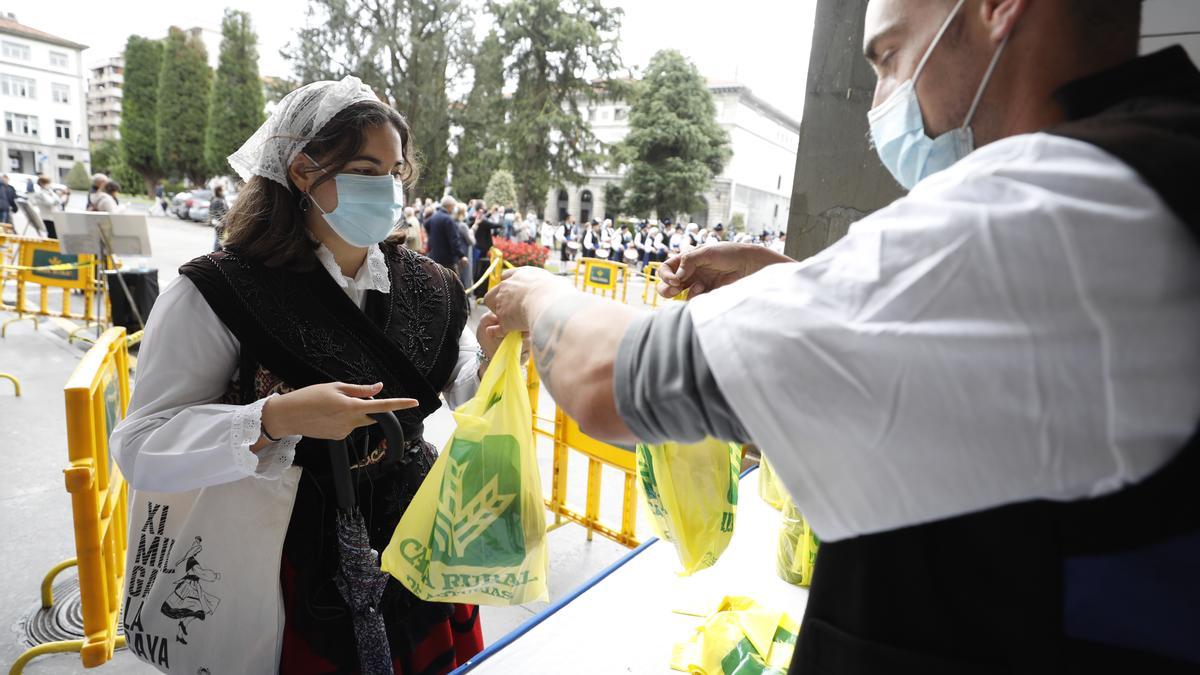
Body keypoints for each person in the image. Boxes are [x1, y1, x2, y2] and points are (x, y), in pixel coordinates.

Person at [484, 1, 1200, 671]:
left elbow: (609, 376)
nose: (879, 104)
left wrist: (536, 293)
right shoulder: (1157, 170)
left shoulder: (1048, 209)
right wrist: (788, 282)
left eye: (890, 58)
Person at [109, 76, 496, 673]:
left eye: (395, 174)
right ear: (301, 171)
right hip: (282, 547)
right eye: (366, 170)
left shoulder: (428, 285)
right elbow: (140, 446)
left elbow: (462, 381)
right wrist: (274, 418)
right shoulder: (215, 290)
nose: (387, 190)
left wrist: (498, 359)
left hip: (417, 533)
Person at [426, 195, 466, 272]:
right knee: (453, 282)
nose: (454, 208)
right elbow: (454, 240)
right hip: (447, 260)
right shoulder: (448, 219)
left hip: (435, 257)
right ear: (450, 206)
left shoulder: (434, 216)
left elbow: (426, 224)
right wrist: (461, 256)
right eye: (454, 206)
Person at [454, 202, 475, 293]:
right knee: (464, 277)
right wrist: (472, 233)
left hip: (456, 254)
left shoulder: (452, 223)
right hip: (464, 254)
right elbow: (471, 241)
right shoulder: (462, 225)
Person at [209, 184, 229, 252]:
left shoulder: (219, 199)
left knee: (220, 238)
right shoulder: (217, 200)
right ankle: (216, 253)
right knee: (219, 238)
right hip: (219, 223)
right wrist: (222, 221)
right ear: (219, 191)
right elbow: (219, 213)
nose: (223, 191)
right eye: (222, 189)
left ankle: (217, 252)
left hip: (220, 222)